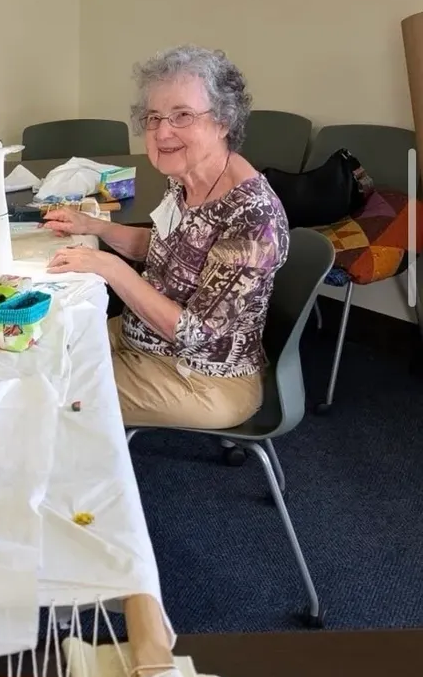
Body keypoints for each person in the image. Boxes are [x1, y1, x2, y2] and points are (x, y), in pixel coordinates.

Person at [44, 44, 289, 431]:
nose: (162, 132)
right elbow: (164, 248)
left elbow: (193, 333)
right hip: (139, 338)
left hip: (202, 377)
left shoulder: (252, 217)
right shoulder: (186, 178)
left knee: (46, 392)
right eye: (153, 118)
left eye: (182, 115)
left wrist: (108, 266)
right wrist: (96, 228)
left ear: (223, 122)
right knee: (37, 347)